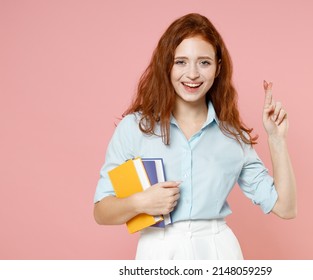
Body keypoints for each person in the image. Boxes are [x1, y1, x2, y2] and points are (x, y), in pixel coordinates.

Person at [93, 13, 296, 260]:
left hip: (219, 251)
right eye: (180, 62)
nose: (192, 74)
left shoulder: (232, 136)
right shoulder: (135, 128)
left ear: (218, 67)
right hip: (157, 252)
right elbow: (101, 211)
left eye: (204, 62)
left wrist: (276, 139)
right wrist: (140, 203)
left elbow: (285, 208)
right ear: (166, 65)